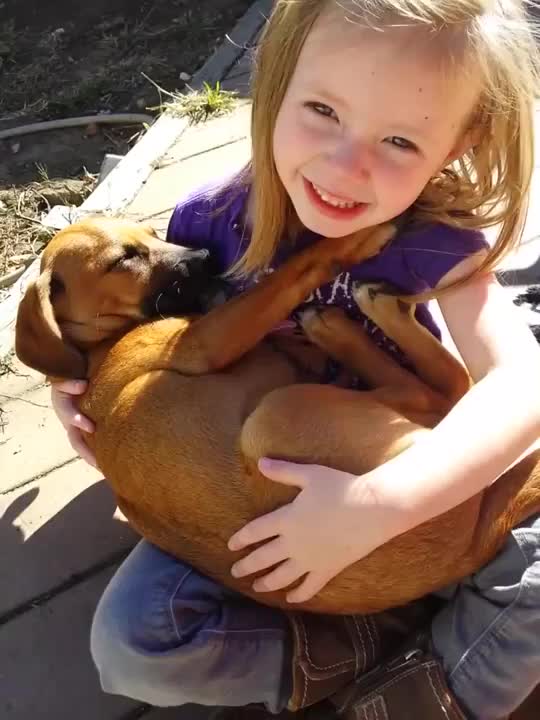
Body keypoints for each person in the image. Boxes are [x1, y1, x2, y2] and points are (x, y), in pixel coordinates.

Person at [51, 1, 540, 718]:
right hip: (276, 528)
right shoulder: (206, 225)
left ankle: (428, 694)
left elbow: (523, 386)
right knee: (135, 643)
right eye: (321, 109)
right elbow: (164, 360)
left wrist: (380, 508)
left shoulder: (433, 241)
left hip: (423, 483)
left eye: (402, 141)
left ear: (459, 142)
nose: (348, 166)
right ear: (273, 82)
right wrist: (82, 385)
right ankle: (379, 633)